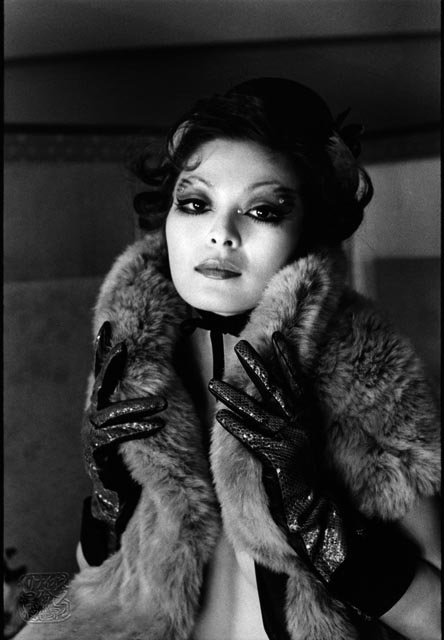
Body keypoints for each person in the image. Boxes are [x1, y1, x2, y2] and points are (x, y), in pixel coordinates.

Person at [15, 78, 440, 640]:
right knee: (32, 611)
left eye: (263, 211)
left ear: (307, 231)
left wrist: (320, 526)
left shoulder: (361, 366)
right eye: (195, 204)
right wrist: (108, 502)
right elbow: (96, 573)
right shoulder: (135, 352)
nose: (220, 234)